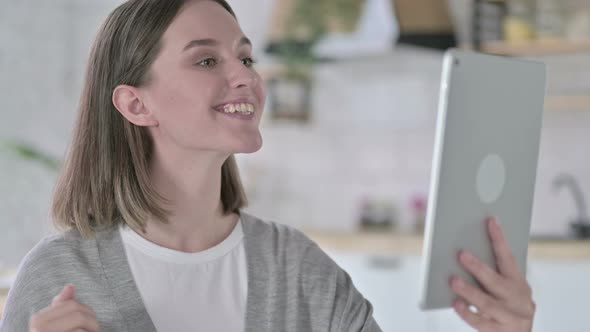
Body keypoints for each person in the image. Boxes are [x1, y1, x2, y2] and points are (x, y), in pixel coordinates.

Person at [0, 0, 535, 331]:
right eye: (208, 59)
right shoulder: (58, 277)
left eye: (246, 57)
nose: (246, 77)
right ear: (136, 104)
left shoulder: (297, 268)